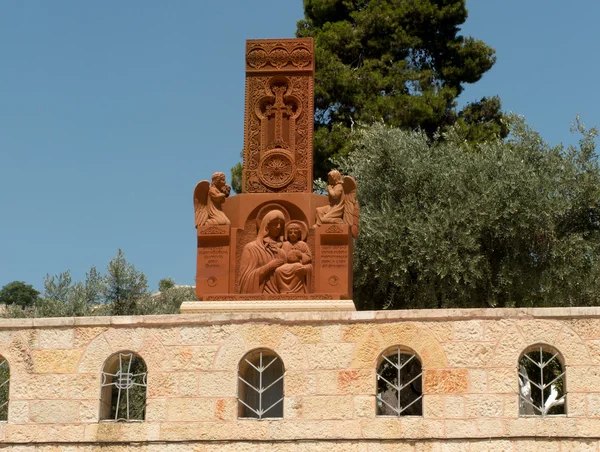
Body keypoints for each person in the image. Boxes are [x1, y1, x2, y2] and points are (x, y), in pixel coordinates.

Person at [239, 210, 287, 294]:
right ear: (266, 225)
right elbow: (246, 281)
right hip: (260, 298)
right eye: (275, 223)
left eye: (281, 225)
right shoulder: (252, 248)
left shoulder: (283, 251)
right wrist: (269, 266)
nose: (279, 227)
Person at [275, 221, 312, 293]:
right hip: (286, 265)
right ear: (287, 234)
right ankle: (284, 290)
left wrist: (300, 254)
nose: (293, 234)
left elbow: (309, 257)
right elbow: (280, 256)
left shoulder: (302, 244)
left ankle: (296, 291)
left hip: (297, 264)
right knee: (278, 270)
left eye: (295, 232)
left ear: (299, 234)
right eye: (290, 232)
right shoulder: (285, 244)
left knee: (297, 268)